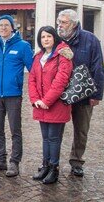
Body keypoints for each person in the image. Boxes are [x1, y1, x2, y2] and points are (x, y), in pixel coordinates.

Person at [0, 15, 34, 177]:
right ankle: (0, 159)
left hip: (13, 95)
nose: (3, 28)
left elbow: (33, 69)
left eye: (6, 25)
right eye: (0, 25)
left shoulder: (23, 46)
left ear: (12, 27)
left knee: (15, 129)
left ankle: (14, 162)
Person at [56, 9, 104, 177]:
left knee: (81, 129)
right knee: (56, 128)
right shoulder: (56, 39)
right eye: (59, 22)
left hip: (83, 93)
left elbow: (98, 67)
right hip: (60, 93)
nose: (60, 26)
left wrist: (96, 95)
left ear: (74, 24)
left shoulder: (90, 40)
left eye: (64, 22)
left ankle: (77, 161)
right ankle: (52, 161)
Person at [28, 26, 73, 184]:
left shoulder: (63, 55)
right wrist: (36, 100)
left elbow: (61, 81)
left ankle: (54, 169)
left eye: (48, 36)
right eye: (42, 37)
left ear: (54, 37)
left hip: (56, 104)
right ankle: (45, 166)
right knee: (46, 138)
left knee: (54, 138)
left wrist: (47, 101)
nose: (45, 39)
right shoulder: (39, 56)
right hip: (41, 105)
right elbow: (32, 78)